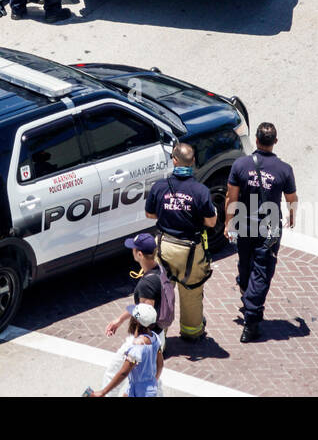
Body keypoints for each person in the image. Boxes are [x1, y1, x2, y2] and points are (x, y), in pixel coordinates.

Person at [224, 122, 298, 343]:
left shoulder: (240, 165)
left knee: (246, 265)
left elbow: (231, 198)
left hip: (245, 225)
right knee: (262, 271)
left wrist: (229, 223)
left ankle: (248, 298)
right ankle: (252, 319)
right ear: (275, 142)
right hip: (269, 229)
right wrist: (293, 216)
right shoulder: (284, 169)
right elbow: (291, 198)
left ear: (256, 140)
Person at [145, 143, 216, 342]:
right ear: (193, 162)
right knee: (192, 292)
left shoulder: (160, 187)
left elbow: (150, 213)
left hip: (165, 247)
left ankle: (159, 340)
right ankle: (192, 332)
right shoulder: (200, 191)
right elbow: (211, 222)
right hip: (191, 251)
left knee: (162, 292)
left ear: (174, 160)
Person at [104, 231, 173, 338]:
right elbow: (141, 307)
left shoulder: (147, 285)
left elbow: (145, 320)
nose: (132, 250)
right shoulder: (159, 268)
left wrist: (135, 343)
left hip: (148, 338)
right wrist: (120, 319)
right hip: (158, 333)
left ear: (139, 254)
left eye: (133, 248)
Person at [90, 304, 164, 398]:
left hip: (139, 392)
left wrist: (103, 392)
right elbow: (160, 365)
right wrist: (153, 382)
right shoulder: (155, 338)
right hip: (148, 389)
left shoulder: (137, 348)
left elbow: (124, 372)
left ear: (135, 321)